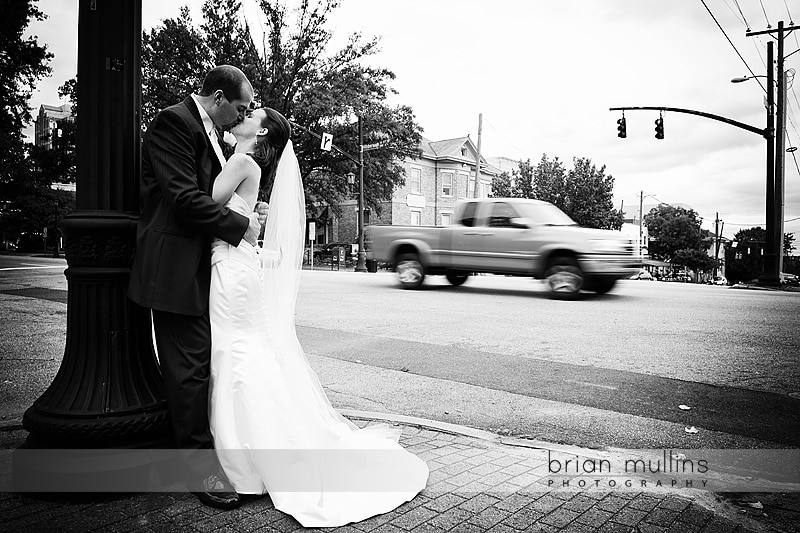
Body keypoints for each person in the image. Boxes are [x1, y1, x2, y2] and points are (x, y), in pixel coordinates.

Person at [208, 107, 429, 527]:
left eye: (251, 113)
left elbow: (203, 198)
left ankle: (247, 457)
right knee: (239, 349)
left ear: (264, 130)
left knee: (235, 351)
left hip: (231, 269)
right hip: (236, 265)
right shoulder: (243, 161)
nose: (243, 114)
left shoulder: (240, 161)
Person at [128, 65, 265, 510]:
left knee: (196, 365)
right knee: (188, 371)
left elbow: (208, 192)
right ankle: (200, 470)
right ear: (220, 98)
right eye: (240, 108)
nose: (241, 116)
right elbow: (184, 199)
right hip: (172, 269)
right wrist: (241, 226)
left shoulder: (207, 131)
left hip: (201, 269)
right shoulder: (173, 122)